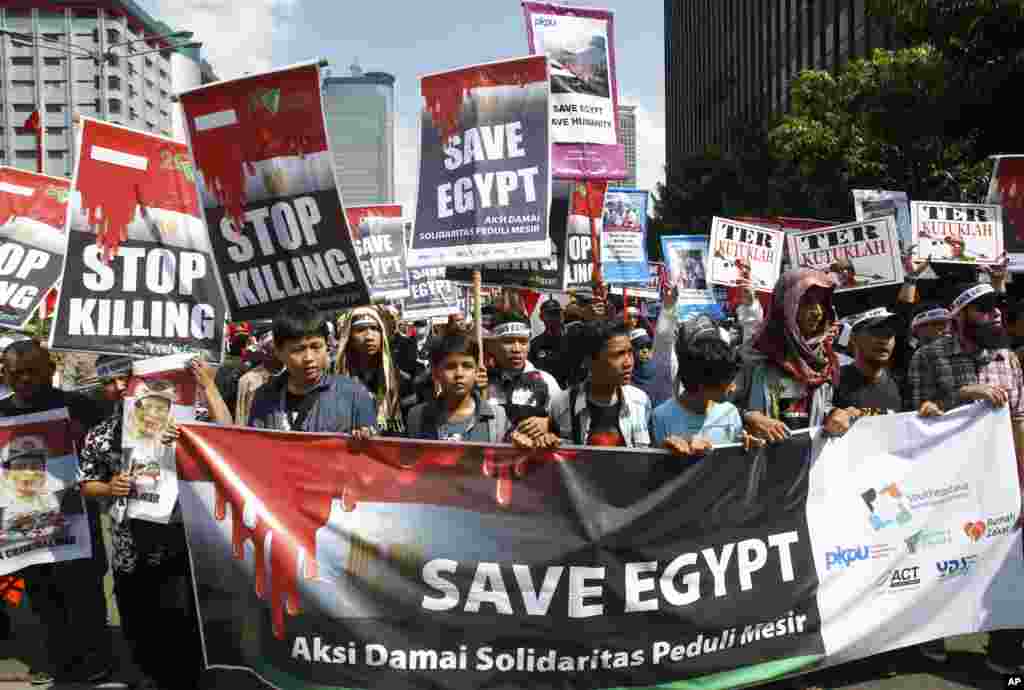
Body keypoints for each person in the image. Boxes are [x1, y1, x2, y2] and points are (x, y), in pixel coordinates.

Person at [79, 358, 227, 690]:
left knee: (182, 620)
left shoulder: (181, 421)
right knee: (138, 621)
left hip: (179, 538)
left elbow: (226, 431)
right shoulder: (100, 434)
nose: (118, 387)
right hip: (129, 544)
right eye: (109, 381)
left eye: (125, 379)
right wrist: (108, 487)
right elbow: (87, 484)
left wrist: (207, 387)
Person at [906, 281, 1024, 673]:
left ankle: (1004, 649)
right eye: (984, 308)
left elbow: (1020, 422)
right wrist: (964, 395)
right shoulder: (929, 356)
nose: (995, 314)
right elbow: (916, 418)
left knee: (1006, 567)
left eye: (997, 307)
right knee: (943, 561)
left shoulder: (1008, 358)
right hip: (946, 486)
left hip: (1000, 484)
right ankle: (931, 638)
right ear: (959, 318)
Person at [0, 340, 115, 686]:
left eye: (32, 371)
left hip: (76, 518)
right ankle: (56, 661)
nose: (24, 380)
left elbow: (106, 450)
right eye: (16, 373)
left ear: (50, 369)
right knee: (42, 596)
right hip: (26, 525)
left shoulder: (81, 407)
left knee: (86, 594)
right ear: (5, 374)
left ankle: (96, 660)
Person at [733, 269, 856, 438]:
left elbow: (821, 407)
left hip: (807, 460)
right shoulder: (753, 356)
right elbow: (717, 407)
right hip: (758, 461)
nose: (818, 312)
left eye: (821, 303)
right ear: (785, 306)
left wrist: (835, 414)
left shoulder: (822, 360)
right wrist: (748, 417)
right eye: (807, 303)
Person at [247, 303, 376, 435]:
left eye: (316, 347)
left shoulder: (354, 394)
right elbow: (256, 448)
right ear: (279, 352)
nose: (309, 358)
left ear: (327, 346)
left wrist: (365, 437)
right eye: (298, 349)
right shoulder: (265, 397)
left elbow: (372, 451)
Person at [406, 334, 515, 444]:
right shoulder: (417, 417)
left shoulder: (497, 418)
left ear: (477, 370)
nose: (459, 374)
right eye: (450, 367)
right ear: (435, 372)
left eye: (467, 366)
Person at [652, 320, 744, 449]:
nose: (734, 387)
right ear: (703, 384)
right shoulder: (661, 417)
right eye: (727, 382)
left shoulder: (730, 413)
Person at [486, 312, 561, 443]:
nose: (516, 349)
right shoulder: (481, 382)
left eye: (523, 342)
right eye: (508, 342)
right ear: (493, 345)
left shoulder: (546, 382)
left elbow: (566, 426)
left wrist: (549, 423)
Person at [336, 306, 407, 435]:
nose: (369, 336)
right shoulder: (334, 378)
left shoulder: (400, 379)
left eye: (375, 329)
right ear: (349, 336)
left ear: (383, 334)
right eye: (360, 330)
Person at [236, 331, 279, 426]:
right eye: (267, 350)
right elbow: (240, 415)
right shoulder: (247, 380)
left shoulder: (293, 376)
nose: (270, 354)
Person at [530, 299, 567, 387]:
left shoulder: (573, 339)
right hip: (548, 392)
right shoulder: (535, 344)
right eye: (550, 314)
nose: (554, 317)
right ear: (541, 317)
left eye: (557, 313)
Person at [629, 327, 659, 403]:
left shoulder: (659, 370)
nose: (645, 351)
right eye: (640, 347)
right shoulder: (627, 376)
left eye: (648, 346)